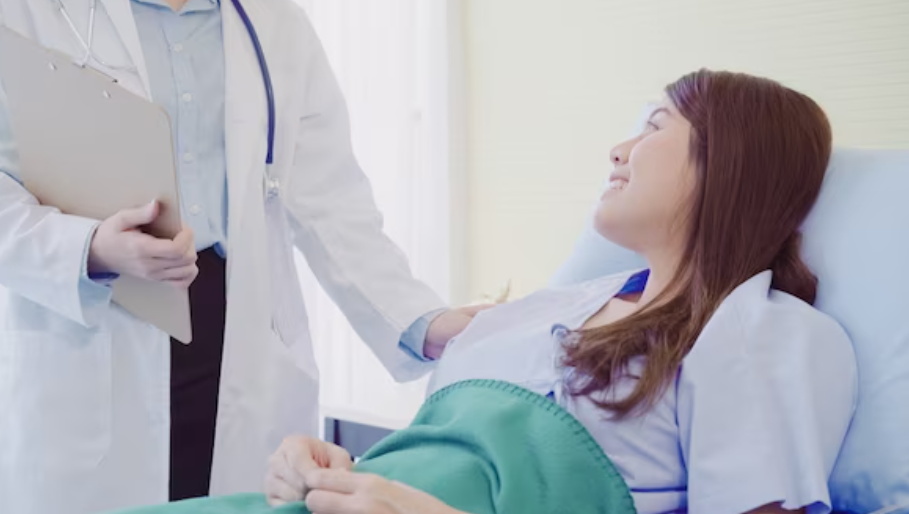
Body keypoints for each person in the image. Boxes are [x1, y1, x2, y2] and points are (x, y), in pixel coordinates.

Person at [257, 70, 858, 514]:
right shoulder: (549, 307)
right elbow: (429, 465)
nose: (618, 150)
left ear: (728, 160)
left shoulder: (757, 327)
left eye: (653, 126)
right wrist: (328, 473)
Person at [0, 1, 480, 513]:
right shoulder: (27, 13)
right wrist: (89, 248)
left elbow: (331, 200)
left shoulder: (271, 19)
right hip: (94, 330)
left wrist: (420, 322)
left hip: (240, 340)